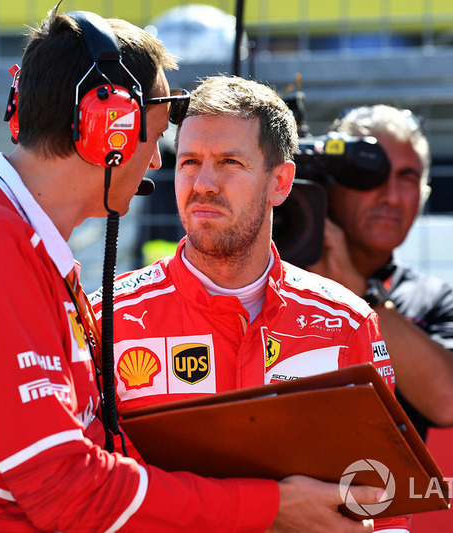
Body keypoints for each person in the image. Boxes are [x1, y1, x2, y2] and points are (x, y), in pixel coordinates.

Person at [0, 7, 386, 533]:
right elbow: (64, 489)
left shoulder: (13, 241)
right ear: (107, 130)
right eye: (158, 139)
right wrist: (271, 508)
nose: (158, 165)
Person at [91, 76, 408, 532]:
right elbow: (85, 493)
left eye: (229, 162)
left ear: (280, 183)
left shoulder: (347, 324)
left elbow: (384, 506)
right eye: (190, 162)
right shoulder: (106, 319)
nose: (202, 184)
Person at [307, 105, 453, 442]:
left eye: (407, 178)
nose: (390, 196)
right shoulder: (267, 276)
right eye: (370, 174)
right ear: (328, 186)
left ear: (422, 196)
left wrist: (356, 294)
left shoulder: (436, 300)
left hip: (378, 494)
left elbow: (449, 402)